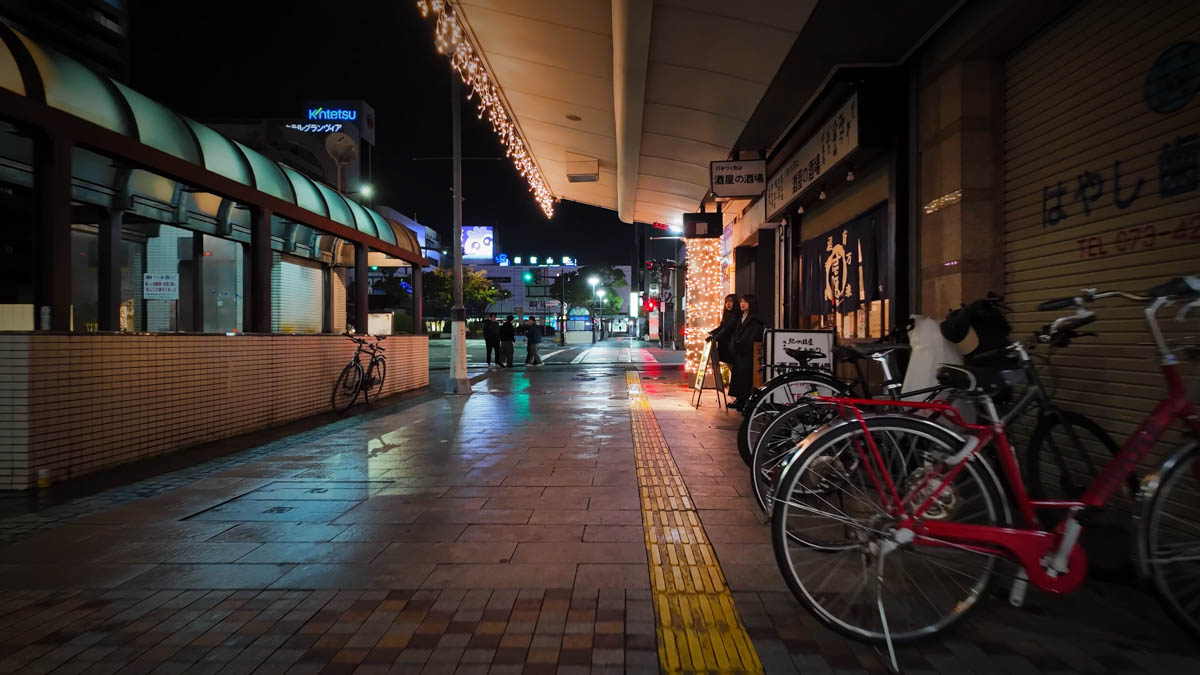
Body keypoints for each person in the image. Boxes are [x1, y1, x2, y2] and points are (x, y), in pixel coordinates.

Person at [728, 294, 765, 411]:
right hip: (740, 352)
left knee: (745, 377)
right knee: (739, 376)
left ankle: (744, 401)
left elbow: (751, 337)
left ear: (751, 304)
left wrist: (738, 343)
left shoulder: (754, 320)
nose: (742, 304)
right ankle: (740, 399)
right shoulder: (742, 317)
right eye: (741, 302)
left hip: (748, 353)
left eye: (745, 302)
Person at [705, 294, 740, 366]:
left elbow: (727, 329)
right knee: (729, 365)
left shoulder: (736, 315)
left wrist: (715, 337)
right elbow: (722, 327)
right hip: (725, 345)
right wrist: (712, 333)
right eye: (726, 302)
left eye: (731, 301)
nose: (728, 304)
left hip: (730, 345)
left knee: (731, 365)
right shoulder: (727, 314)